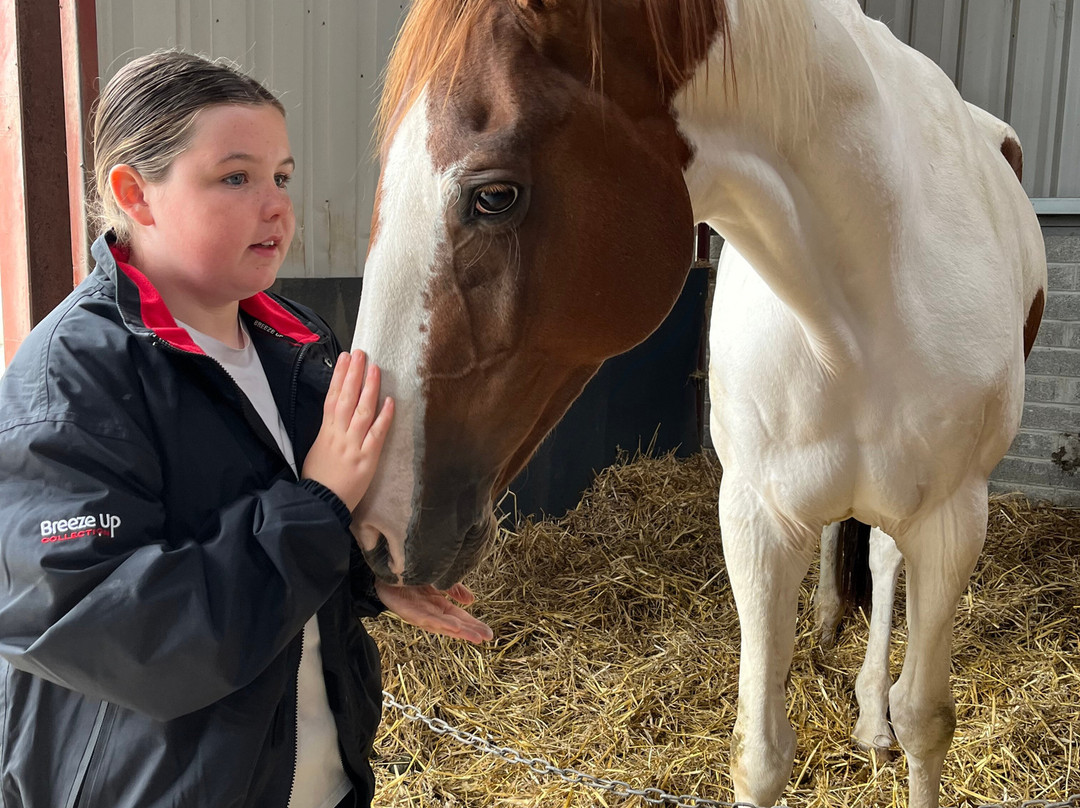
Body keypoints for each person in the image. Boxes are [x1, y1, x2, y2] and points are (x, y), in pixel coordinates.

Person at [0, 49, 490, 808]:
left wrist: (361, 572)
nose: (276, 207)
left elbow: (273, 551)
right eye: (235, 177)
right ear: (137, 194)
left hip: (318, 780)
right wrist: (321, 507)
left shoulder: (293, 342)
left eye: (282, 177)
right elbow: (124, 633)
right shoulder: (71, 381)